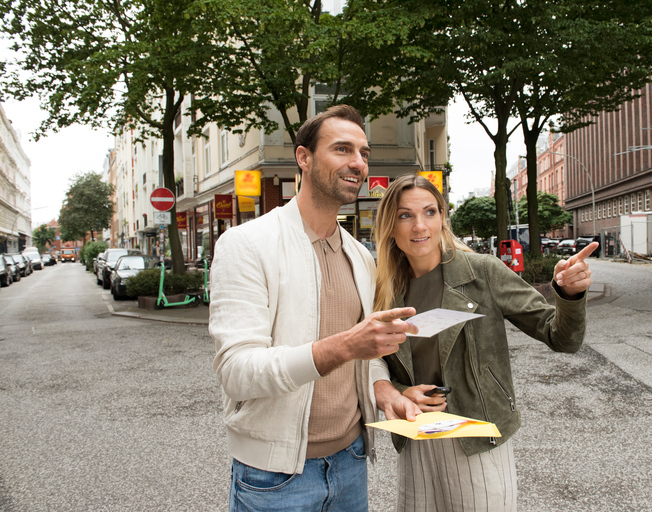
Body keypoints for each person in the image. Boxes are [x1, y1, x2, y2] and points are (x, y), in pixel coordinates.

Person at [209, 105, 420, 512]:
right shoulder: (246, 243)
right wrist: (344, 346)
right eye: (342, 149)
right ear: (303, 158)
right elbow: (236, 372)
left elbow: (367, 354)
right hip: (275, 478)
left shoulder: (361, 256)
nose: (357, 163)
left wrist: (383, 391)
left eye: (363, 153)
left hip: (352, 462)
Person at [373, 174, 598, 512]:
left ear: (443, 217)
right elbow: (371, 359)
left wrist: (569, 292)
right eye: (405, 215)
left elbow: (561, 337)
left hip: (475, 438)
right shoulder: (385, 288)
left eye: (430, 212)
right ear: (390, 226)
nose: (419, 226)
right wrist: (398, 391)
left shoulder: (483, 272)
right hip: (415, 438)